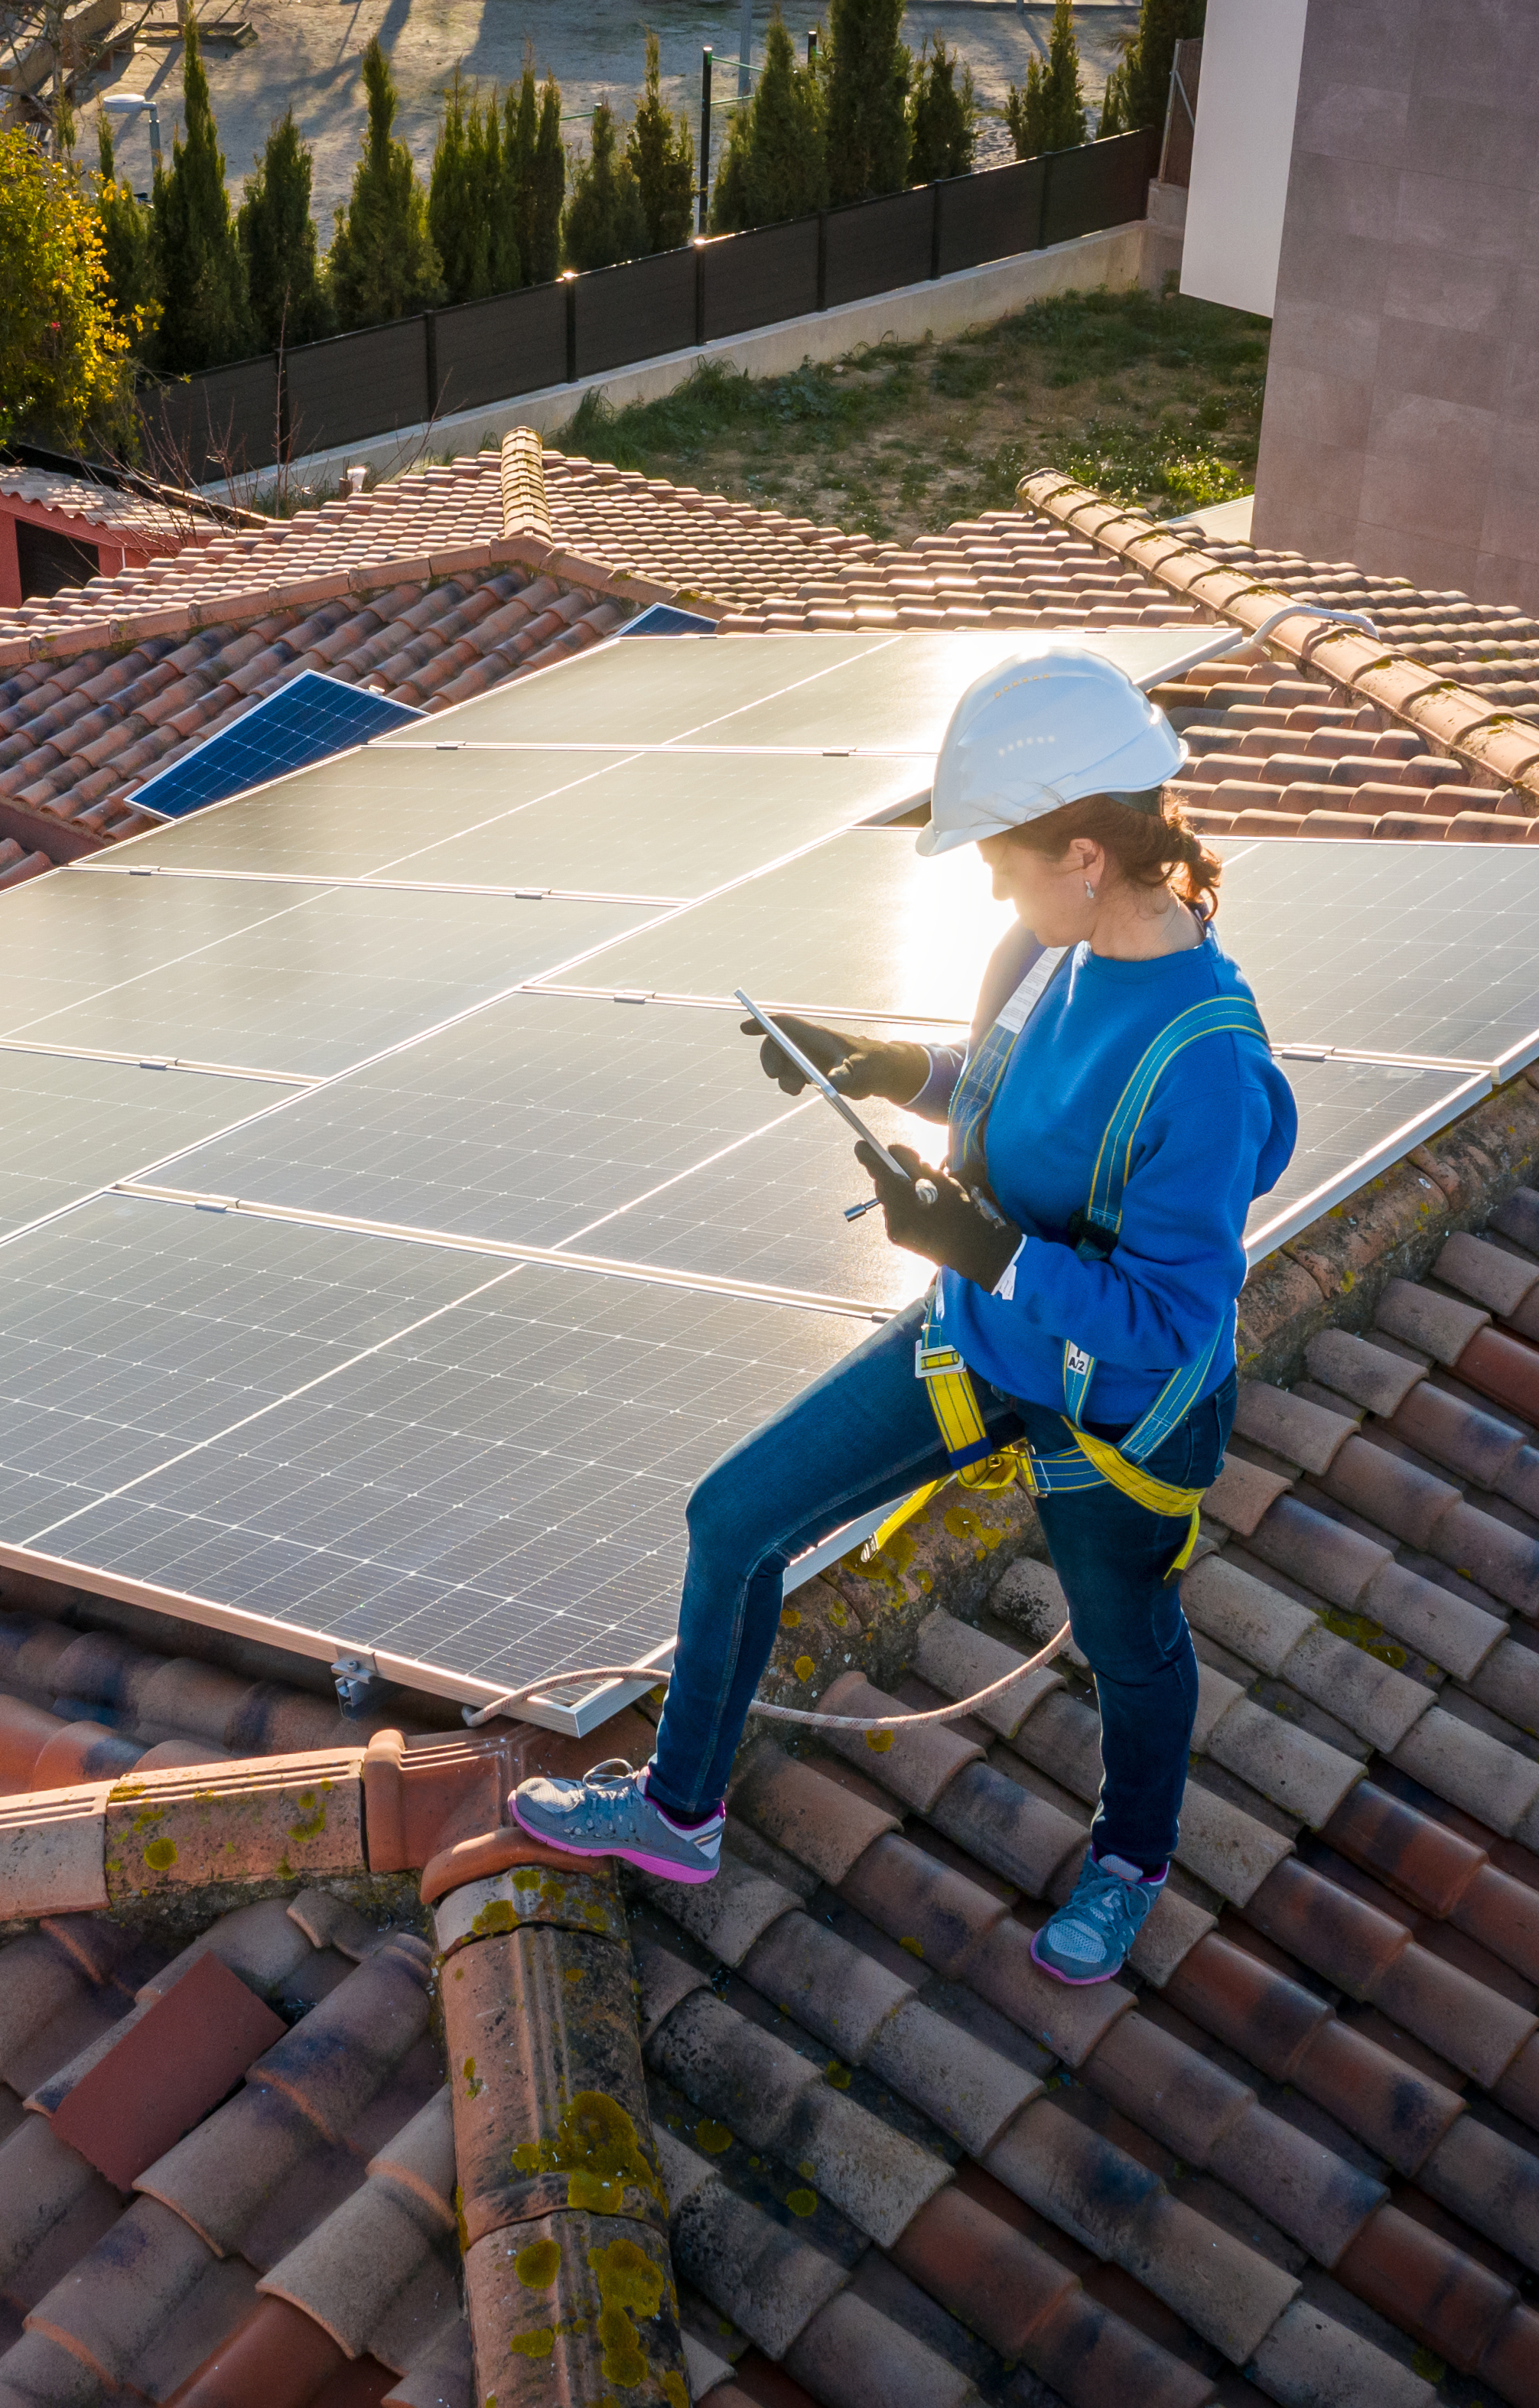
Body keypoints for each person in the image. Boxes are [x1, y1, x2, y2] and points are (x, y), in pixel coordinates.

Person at [507, 646, 1297, 1986]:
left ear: (1089, 854)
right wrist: (885, 1066)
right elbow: (1002, 1096)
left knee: (1127, 1647)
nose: (987, 878)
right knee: (734, 1517)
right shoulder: (1040, 953)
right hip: (983, 1348)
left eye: (1001, 853)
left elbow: (1166, 1319)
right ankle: (678, 1812)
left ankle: (1129, 1859)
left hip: (1117, 1410)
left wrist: (986, 1252)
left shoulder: (1207, 1062)